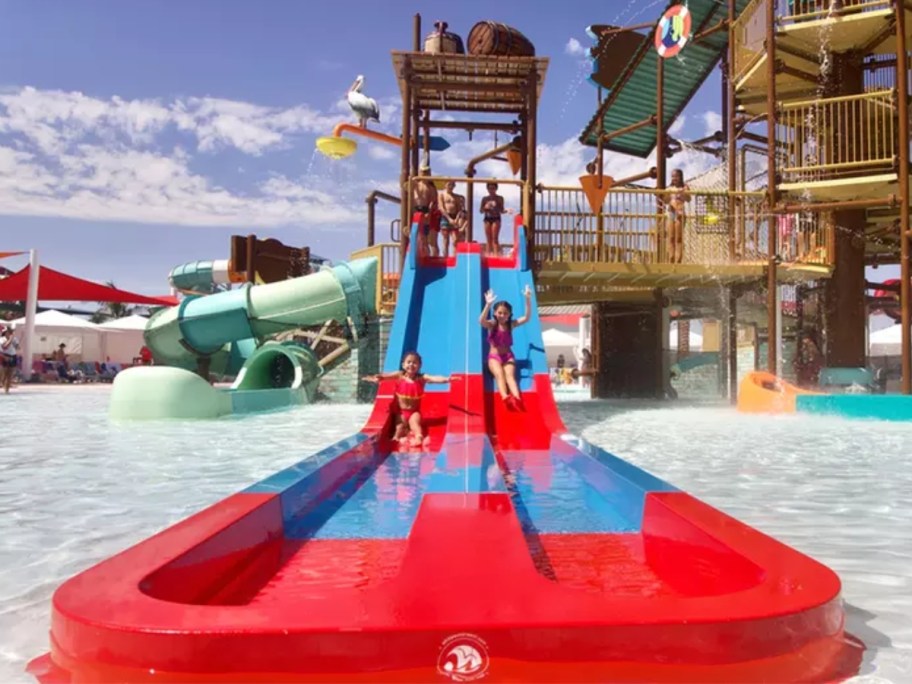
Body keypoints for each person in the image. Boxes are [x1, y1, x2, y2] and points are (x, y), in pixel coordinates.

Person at [363, 351, 450, 448]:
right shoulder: (400, 375)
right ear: (403, 365)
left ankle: (419, 437)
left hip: (414, 412)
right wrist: (378, 378)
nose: (411, 364)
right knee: (399, 427)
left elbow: (434, 378)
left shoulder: (421, 378)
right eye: (408, 362)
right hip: (401, 412)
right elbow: (386, 376)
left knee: (415, 425)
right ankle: (396, 438)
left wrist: (447, 379)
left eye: (414, 362)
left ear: (420, 365)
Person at [479, 284, 532, 409]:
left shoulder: (511, 325)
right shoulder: (492, 325)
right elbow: (481, 321)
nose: (502, 315)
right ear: (495, 313)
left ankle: (517, 397)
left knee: (510, 376)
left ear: (509, 314)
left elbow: (526, 318)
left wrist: (528, 300)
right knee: (499, 374)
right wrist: (488, 305)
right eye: (500, 313)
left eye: (505, 313)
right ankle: (505, 397)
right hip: (494, 357)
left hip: (508, 356)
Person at [413, 165, 440, 258]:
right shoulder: (415, 184)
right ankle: (422, 254)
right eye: (422, 172)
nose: (424, 174)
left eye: (426, 172)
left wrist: (428, 211)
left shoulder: (431, 187)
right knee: (417, 235)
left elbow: (432, 201)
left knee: (425, 235)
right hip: (416, 209)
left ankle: (427, 255)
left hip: (425, 210)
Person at [665, 168, 690, 264]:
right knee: (671, 237)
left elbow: (688, 199)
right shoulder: (669, 188)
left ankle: (678, 260)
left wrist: (683, 193)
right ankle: (671, 258)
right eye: (672, 176)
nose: (674, 178)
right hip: (671, 213)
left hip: (680, 213)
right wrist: (666, 196)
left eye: (676, 176)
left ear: (680, 177)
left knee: (678, 238)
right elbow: (666, 201)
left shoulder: (685, 187)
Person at [480, 182, 512, 256]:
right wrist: (485, 207)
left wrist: (507, 210)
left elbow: (501, 210)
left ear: (496, 189)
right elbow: (481, 211)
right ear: (487, 189)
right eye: (490, 188)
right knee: (488, 239)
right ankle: (488, 256)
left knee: (495, 239)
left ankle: (495, 255)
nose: (491, 190)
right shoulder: (485, 199)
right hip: (487, 218)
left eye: (493, 188)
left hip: (496, 218)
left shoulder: (499, 198)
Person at [438, 180, 467, 258]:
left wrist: (456, 219)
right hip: (445, 217)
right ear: (445, 185)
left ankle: (454, 257)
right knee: (445, 238)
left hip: (454, 217)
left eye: (452, 185)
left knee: (455, 239)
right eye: (449, 184)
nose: (450, 186)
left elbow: (459, 209)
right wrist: (449, 218)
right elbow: (441, 207)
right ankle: (445, 257)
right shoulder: (442, 195)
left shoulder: (456, 197)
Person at [0, 327, 19, 394]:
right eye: (9, 332)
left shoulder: (14, 339)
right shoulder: (2, 339)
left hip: (13, 356)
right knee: (3, 374)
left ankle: (7, 390)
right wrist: (10, 340)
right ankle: (3, 384)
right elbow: (5, 347)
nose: (10, 333)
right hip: (5, 356)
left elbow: (17, 347)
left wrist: (16, 343)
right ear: (5, 333)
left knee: (10, 374)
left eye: (11, 332)